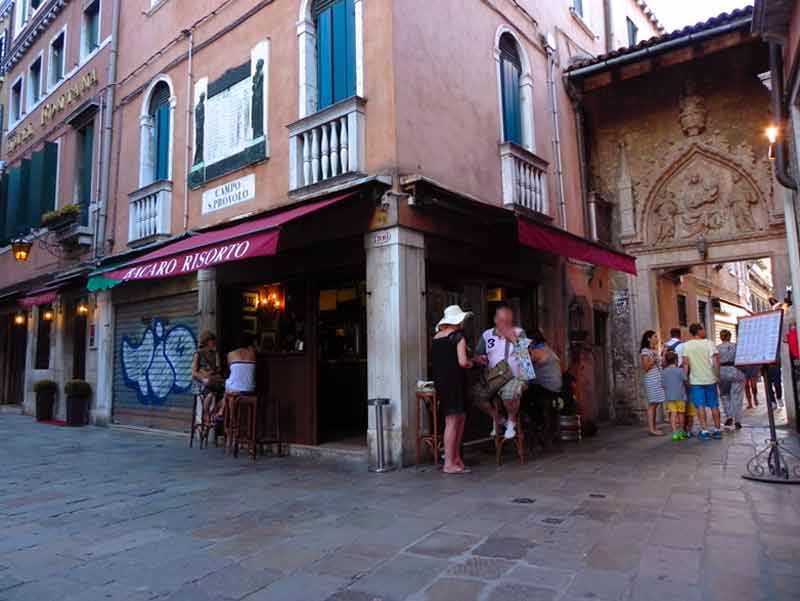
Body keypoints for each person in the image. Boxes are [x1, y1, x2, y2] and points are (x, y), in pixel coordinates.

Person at [431, 305, 475, 474]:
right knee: (454, 421)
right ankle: (449, 462)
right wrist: (473, 363)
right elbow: (463, 362)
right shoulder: (458, 337)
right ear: (458, 321)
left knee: (456, 418)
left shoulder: (436, 337)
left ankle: (456, 459)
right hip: (455, 381)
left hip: (442, 382)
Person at [475, 304, 527, 440]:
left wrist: (514, 339)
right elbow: (478, 354)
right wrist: (480, 358)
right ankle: (499, 420)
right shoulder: (487, 335)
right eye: (503, 320)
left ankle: (511, 421)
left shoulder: (519, 332)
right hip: (494, 377)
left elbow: (526, 362)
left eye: (508, 321)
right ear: (495, 320)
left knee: (509, 396)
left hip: (515, 377)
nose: (506, 324)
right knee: (477, 397)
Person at [682, 322, 721, 440]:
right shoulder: (709, 343)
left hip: (695, 381)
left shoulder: (687, 346)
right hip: (710, 379)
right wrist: (717, 375)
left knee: (700, 406)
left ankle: (704, 431)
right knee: (714, 405)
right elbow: (716, 361)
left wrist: (685, 378)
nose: (705, 331)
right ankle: (717, 430)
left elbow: (685, 364)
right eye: (703, 329)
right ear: (698, 331)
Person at [525, 328, 562, 447]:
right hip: (555, 390)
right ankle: (539, 425)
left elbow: (524, 368)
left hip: (546, 390)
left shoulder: (537, 352)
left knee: (522, 399)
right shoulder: (548, 350)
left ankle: (537, 425)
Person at [217, 333, 257, 419]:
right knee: (230, 393)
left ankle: (228, 418)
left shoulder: (231, 354)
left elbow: (230, 369)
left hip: (235, 389)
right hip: (250, 388)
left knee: (228, 389)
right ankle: (223, 412)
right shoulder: (252, 353)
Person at [191, 331, 223, 437]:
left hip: (212, 380)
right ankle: (206, 416)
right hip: (201, 383)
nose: (213, 343)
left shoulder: (215, 354)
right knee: (210, 394)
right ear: (206, 341)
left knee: (227, 394)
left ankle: (212, 414)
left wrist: (211, 373)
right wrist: (203, 378)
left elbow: (218, 369)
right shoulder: (198, 354)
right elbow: (194, 373)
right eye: (211, 341)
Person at [717, 329, 745, 429]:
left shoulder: (717, 348)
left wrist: (716, 374)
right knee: (737, 396)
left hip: (722, 372)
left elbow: (715, 362)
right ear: (730, 336)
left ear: (721, 337)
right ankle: (737, 420)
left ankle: (729, 416)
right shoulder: (736, 347)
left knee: (725, 395)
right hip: (735, 370)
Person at [640, 330, 665, 436]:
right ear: (649, 338)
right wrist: (654, 360)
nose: (657, 338)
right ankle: (652, 429)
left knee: (656, 403)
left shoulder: (653, 350)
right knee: (652, 404)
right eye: (655, 337)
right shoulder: (645, 351)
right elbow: (645, 367)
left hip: (657, 379)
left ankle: (653, 427)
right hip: (651, 379)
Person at [662, 350, 688, 440]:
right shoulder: (680, 371)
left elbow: (663, 385)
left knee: (673, 414)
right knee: (681, 414)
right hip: (680, 396)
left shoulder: (664, 372)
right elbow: (685, 381)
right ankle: (681, 432)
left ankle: (674, 433)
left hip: (670, 397)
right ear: (676, 360)